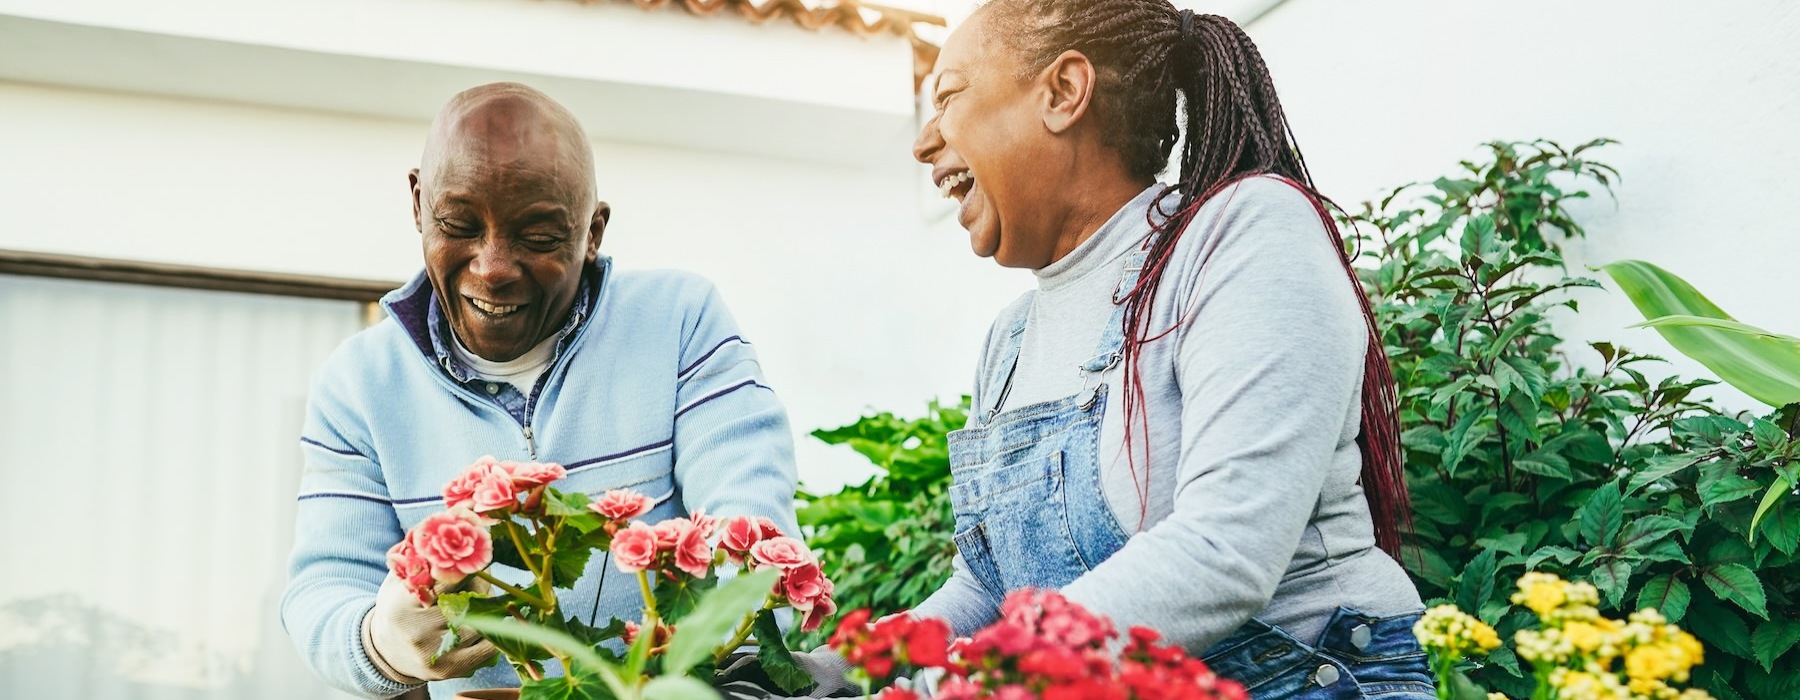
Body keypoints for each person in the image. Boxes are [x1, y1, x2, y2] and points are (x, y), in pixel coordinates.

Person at [896, 2, 1432, 697]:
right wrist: (838, 671)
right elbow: (985, 589)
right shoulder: (1010, 339)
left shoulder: (1241, 233)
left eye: (949, 96)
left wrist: (976, 675)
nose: (924, 142)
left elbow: (1224, 552)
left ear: (1062, 93)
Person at [280, 82, 803, 699]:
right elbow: (321, 591)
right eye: (458, 223)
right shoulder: (358, 385)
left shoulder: (681, 321)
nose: (494, 266)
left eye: (539, 237)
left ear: (593, 231)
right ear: (419, 203)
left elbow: (755, 545)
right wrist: (381, 641)